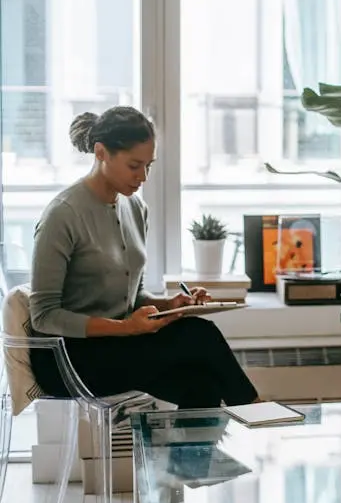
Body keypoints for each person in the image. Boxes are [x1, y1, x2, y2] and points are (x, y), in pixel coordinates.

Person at [28, 106, 259, 410]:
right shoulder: (63, 214)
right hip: (67, 357)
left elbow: (132, 295)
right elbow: (43, 316)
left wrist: (170, 306)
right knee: (199, 336)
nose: (144, 177)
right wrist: (126, 328)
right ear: (101, 153)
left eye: (149, 165)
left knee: (202, 384)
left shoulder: (136, 209)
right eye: (134, 165)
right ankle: (256, 413)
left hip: (118, 348)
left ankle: (188, 459)